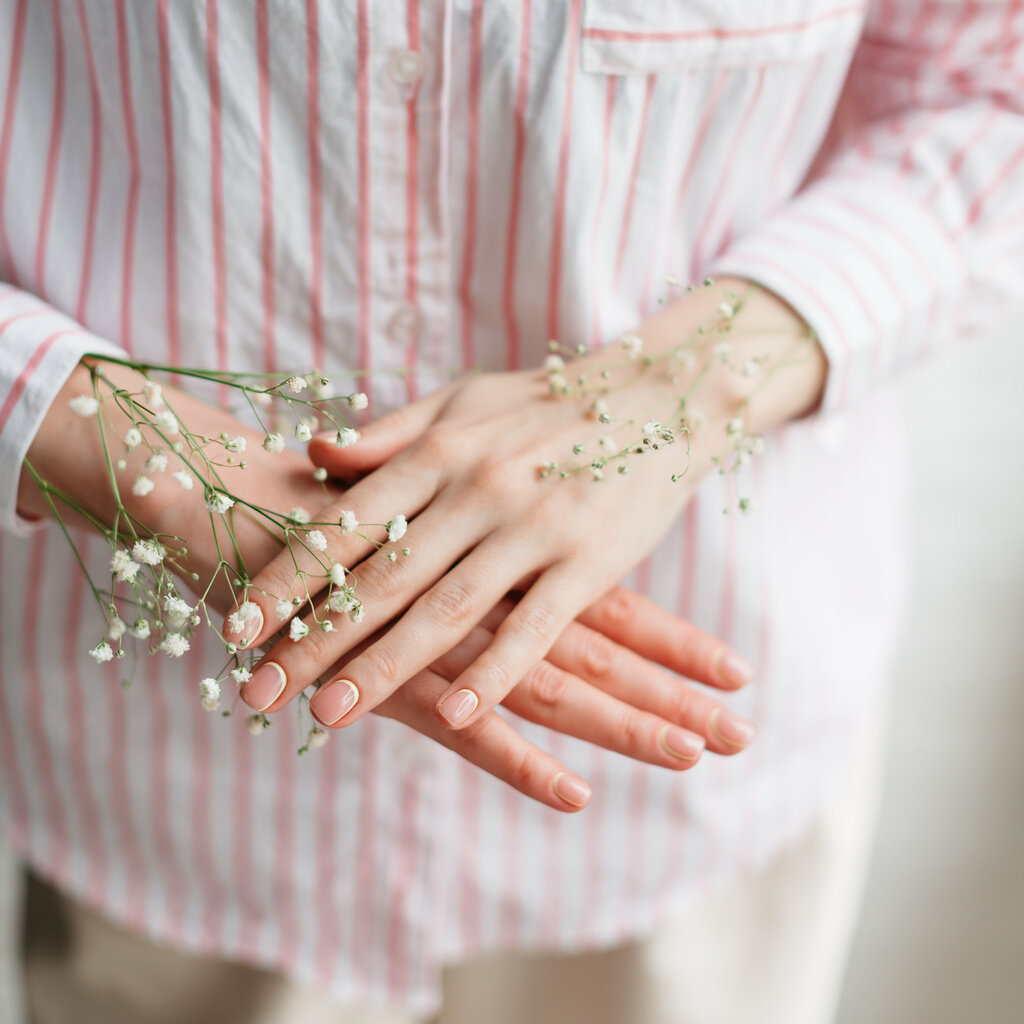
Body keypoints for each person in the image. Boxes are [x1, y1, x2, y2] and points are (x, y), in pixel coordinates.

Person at [2, 2, 1022, 1022]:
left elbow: (990, 84)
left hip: (686, 773)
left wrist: (681, 385)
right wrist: (168, 478)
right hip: (166, 795)